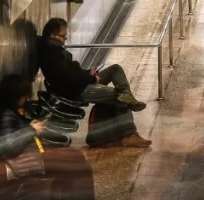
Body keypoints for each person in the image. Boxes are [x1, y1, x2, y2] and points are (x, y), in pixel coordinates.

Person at [0, 75, 112, 200]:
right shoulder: (5, 115)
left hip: (27, 155)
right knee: (75, 164)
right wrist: (31, 130)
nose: (25, 100)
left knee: (74, 157)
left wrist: (29, 126)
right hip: (22, 161)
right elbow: (11, 146)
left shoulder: (6, 109)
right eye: (24, 96)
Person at [38, 18, 152, 148]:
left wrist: (88, 73)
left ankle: (125, 93)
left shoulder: (54, 50)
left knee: (115, 69)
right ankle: (130, 135)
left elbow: (71, 72)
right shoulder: (52, 55)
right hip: (78, 90)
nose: (65, 39)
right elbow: (67, 79)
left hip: (81, 83)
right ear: (53, 35)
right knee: (118, 97)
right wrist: (92, 79)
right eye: (63, 36)